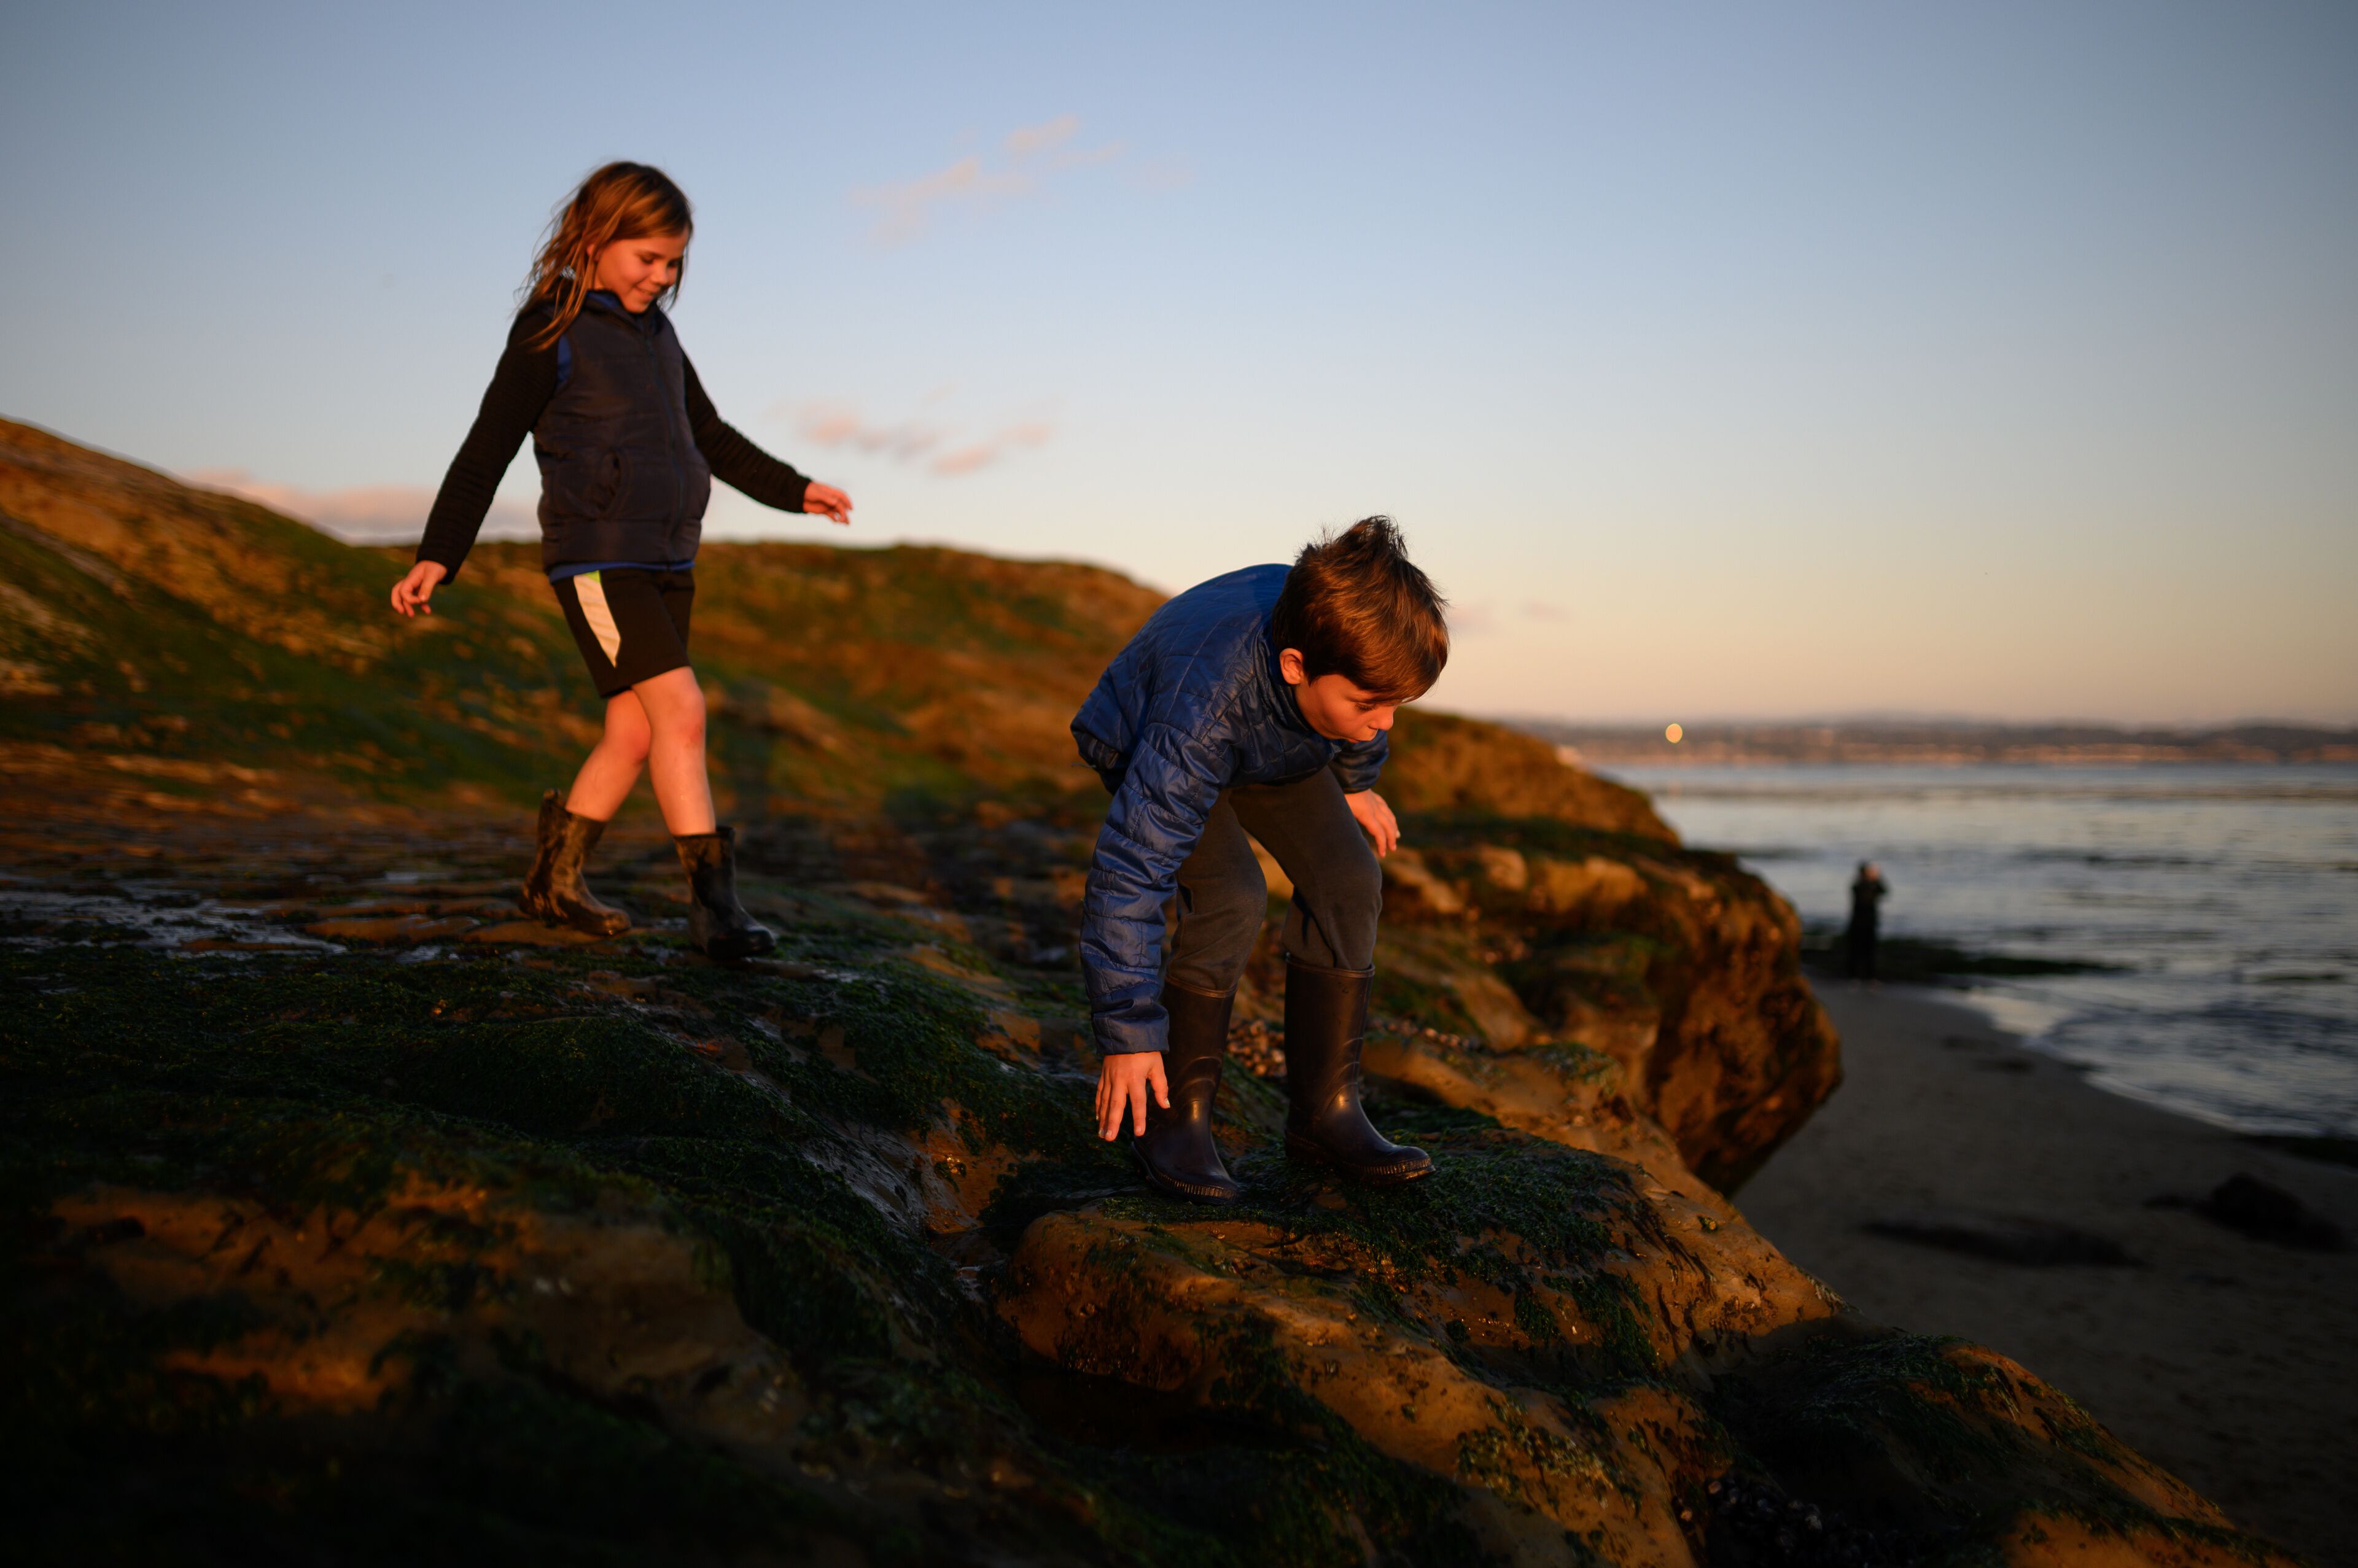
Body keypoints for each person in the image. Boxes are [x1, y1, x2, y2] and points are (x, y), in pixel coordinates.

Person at [387, 163, 851, 960]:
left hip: (669, 559)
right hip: (599, 560)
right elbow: (487, 447)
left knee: (634, 734)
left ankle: (553, 881)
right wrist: (440, 554)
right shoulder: (550, 327)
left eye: (674, 264)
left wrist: (797, 488)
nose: (662, 278)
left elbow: (711, 435)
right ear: (596, 240)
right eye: (648, 259)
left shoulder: (660, 338)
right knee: (683, 711)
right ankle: (716, 912)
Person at [1075, 518, 1448, 1202]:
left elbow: (1370, 713)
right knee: (1233, 895)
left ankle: (1324, 1115)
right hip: (1152, 734)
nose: (1387, 719)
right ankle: (1173, 1121)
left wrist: (1359, 781)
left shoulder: (1342, 656)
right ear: (1298, 667)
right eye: (1369, 704)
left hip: (1279, 738)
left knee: (1349, 877)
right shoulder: (1200, 712)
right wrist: (1127, 1031)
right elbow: (1131, 868)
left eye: (1398, 703)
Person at [1846, 860, 1889, 981]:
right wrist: (1873, 881)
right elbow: (1864, 899)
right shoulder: (1857, 886)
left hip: (1870, 924)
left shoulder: (1873, 885)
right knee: (1856, 951)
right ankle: (1854, 976)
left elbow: (1885, 891)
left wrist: (1877, 878)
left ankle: (1871, 976)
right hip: (1858, 924)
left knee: (1870, 951)